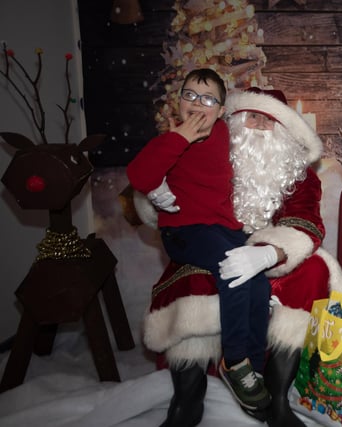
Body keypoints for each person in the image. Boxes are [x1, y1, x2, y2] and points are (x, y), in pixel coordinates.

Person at [136, 87, 342, 427]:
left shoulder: (298, 173)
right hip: (210, 247)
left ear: (284, 131)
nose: (259, 124)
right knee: (192, 277)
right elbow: (157, 188)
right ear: (233, 122)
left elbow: (307, 223)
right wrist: (155, 193)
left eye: (269, 119)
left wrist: (269, 253)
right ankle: (188, 397)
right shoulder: (203, 154)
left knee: (311, 272)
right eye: (252, 115)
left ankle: (276, 397)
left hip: (269, 256)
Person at [126, 70, 272, 424]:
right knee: (233, 270)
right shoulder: (171, 138)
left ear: (221, 110)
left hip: (222, 227)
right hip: (185, 231)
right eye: (190, 96)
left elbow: (256, 116)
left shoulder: (224, 131)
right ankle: (234, 360)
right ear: (178, 101)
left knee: (259, 279)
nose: (197, 105)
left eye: (207, 100)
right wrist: (176, 141)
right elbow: (139, 176)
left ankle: (253, 360)